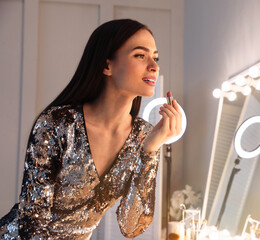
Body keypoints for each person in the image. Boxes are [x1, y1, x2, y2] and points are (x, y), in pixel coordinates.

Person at [0, 19, 182, 239]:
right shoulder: (57, 124)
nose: (154, 66)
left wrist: (150, 150)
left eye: (156, 57)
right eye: (140, 55)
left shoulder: (143, 136)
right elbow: (32, 223)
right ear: (107, 66)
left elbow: (131, 226)